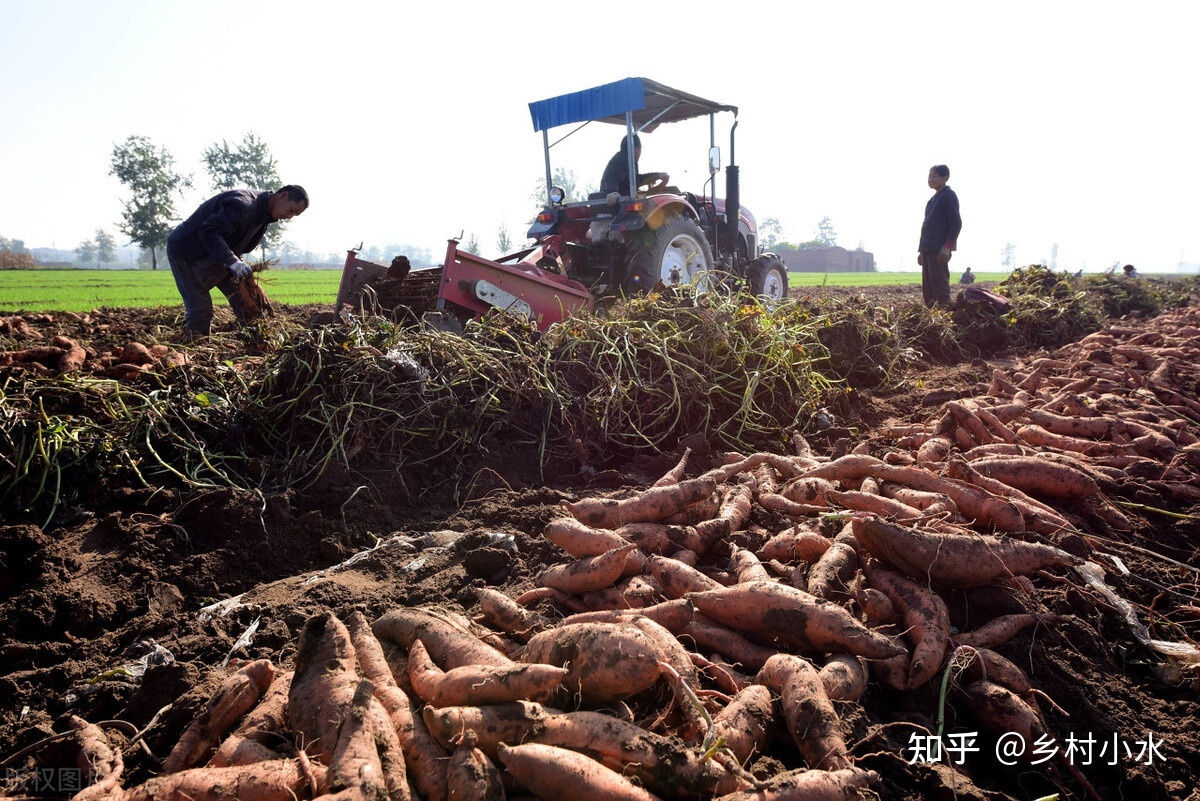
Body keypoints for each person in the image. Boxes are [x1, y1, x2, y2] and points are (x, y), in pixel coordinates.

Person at [167, 185, 308, 336]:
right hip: (187, 251)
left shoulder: (265, 216)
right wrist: (233, 261)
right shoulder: (243, 204)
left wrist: (238, 265)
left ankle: (258, 346)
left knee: (250, 302)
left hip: (219, 254)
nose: (289, 217)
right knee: (200, 310)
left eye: (295, 215)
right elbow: (209, 231)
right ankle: (196, 351)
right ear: (283, 196)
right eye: (292, 210)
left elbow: (240, 244)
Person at [917, 164, 962, 308]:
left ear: (945, 177)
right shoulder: (932, 200)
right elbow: (927, 227)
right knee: (928, 289)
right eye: (929, 176)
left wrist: (947, 247)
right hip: (927, 249)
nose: (930, 179)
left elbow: (956, 223)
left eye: (934, 176)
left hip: (938, 249)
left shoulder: (948, 195)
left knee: (939, 287)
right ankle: (932, 319)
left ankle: (945, 316)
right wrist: (921, 252)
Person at [599, 134, 667, 198]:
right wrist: (612, 192)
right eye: (640, 149)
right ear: (635, 148)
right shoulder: (621, 160)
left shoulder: (626, 160)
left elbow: (636, 180)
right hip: (620, 203)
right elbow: (612, 177)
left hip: (623, 201)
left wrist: (657, 176)